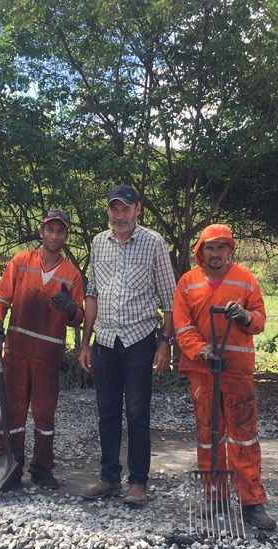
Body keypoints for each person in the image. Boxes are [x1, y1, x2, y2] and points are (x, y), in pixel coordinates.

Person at [172, 223, 276, 530]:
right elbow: (182, 325)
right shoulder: (188, 282)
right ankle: (213, 495)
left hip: (237, 371)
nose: (215, 253)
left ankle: (252, 501)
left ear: (230, 250)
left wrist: (244, 316)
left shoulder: (244, 279)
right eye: (209, 248)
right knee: (209, 434)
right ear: (200, 251)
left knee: (244, 434)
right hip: (203, 370)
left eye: (221, 247)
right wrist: (203, 351)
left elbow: (259, 318)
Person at [78, 185, 176, 506]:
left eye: (125, 209)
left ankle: (138, 482)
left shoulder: (153, 243)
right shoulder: (98, 243)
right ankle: (109, 478)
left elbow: (170, 299)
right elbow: (91, 294)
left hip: (139, 340)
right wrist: (85, 342)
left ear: (138, 210)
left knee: (137, 414)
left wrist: (165, 343)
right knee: (107, 413)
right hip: (105, 340)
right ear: (108, 211)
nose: (119, 215)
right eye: (114, 209)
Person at [0, 210, 85, 490]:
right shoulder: (20, 262)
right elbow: (1, 298)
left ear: (65, 236)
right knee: (12, 412)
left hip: (48, 356)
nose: (54, 235)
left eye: (60, 231)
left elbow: (79, 318)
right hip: (16, 351)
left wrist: (72, 308)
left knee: (44, 414)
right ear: (41, 232)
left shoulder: (71, 274)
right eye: (49, 230)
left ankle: (42, 468)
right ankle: (10, 467)